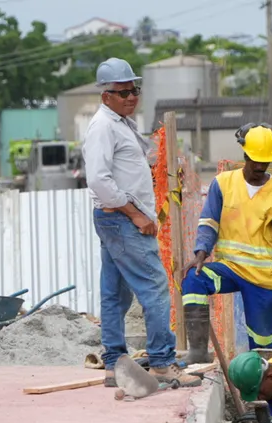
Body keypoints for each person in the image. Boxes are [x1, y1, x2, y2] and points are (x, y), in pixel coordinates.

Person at [83, 57, 199, 389]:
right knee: (155, 287)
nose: (131, 97)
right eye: (123, 92)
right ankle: (162, 363)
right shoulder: (104, 126)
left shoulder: (120, 123)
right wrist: (136, 214)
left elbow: (127, 167)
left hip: (116, 219)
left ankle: (114, 364)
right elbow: (99, 180)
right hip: (123, 220)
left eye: (134, 90)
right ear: (106, 96)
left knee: (114, 293)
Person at [181, 123, 272, 364]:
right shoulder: (223, 183)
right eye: (255, 161)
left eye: (265, 162)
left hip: (263, 278)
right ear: (245, 155)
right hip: (230, 269)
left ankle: (260, 383)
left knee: (261, 348)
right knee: (194, 278)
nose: (259, 167)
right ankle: (198, 352)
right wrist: (201, 253)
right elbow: (209, 222)